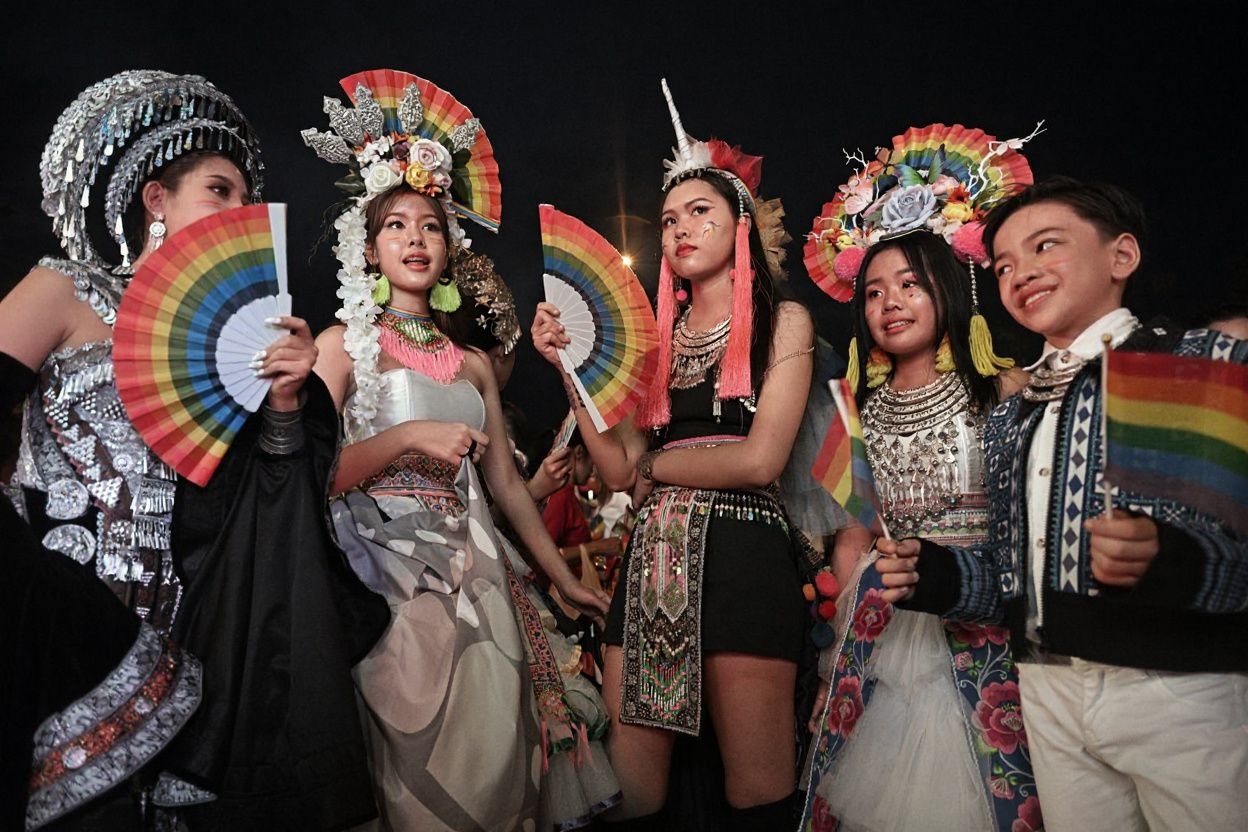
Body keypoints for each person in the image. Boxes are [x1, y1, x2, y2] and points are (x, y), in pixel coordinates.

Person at [0, 70, 388, 829]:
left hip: (187, 629)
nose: (239, 212)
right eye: (219, 190)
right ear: (156, 200)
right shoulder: (65, 289)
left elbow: (260, 512)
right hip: (62, 614)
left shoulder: (229, 345)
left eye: (246, 198)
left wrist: (287, 402)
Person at [876, 176, 1248, 831]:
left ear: (1121, 255)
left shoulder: (1200, 364)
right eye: (1003, 266)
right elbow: (1007, 579)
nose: (1021, 273)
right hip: (1045, 690)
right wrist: (933, 573)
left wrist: (1168, 558)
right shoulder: (1009, 416)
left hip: (1178, 685)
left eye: (1046, 246)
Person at [304, 69, 618, 832]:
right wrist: (407, 437)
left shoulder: (473, 364)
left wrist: (560, 579)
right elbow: (309, 476)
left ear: (450, 248)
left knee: (495, 759)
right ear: (368, 248)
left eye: (431, 226)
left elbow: (506, 486)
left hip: (475, 577)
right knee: (410, 775)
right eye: (395, 226)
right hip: (381, 582)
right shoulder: (341, 347)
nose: (415, 239)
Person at [532, 80, 822, 831]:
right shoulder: (654, 344)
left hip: (743, 556)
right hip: (654, 560)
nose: (679, 229)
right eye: (668, 219)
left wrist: (657, 469)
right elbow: (617, 466)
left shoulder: (784, 322)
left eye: (699, 212)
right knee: (637, 794)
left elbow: (759, 461)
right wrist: (570, 374)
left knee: (756, 787)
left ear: (741, 224)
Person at [799, 123, 1039, 831]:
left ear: (951, 288)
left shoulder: (1003, 390)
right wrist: (835, 667)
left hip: (984, 622)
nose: (890, 303)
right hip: (882, 627)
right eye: (874, 293)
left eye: (909, 285)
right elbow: (852, 540)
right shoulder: (854, 413)